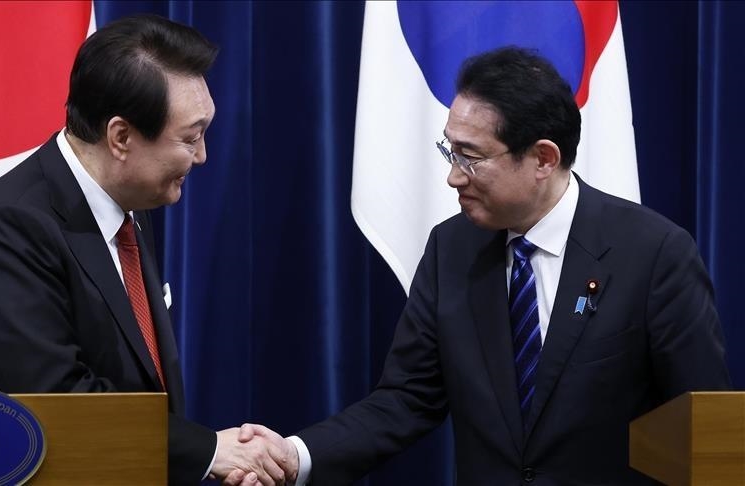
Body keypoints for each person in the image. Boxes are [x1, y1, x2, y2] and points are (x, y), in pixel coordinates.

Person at [235, 46, 732, 484]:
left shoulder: (653, 253)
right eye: (450, 151)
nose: (454, 177)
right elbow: (407, 399)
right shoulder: (451, 249)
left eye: (471, 158)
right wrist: (295, 456)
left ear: (543, 158)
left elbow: (705, 428)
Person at [0, 14, 291, 486]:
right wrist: (208, 452)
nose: (203, 155)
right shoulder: (10, 226)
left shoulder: (128, 203)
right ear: (121, 137)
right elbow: (59, 402)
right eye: (190, 138)